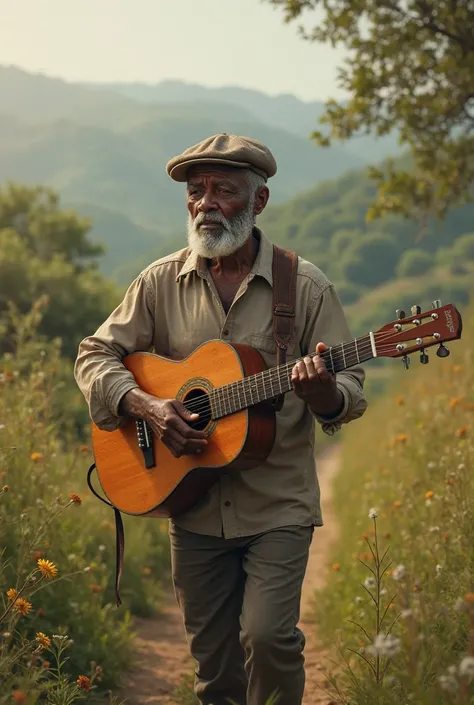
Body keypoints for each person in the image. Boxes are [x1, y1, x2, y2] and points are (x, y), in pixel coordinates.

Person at [74, 133, 367, 705]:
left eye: (223, 191)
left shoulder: (305, 287)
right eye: (196, 191)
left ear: (258, 202)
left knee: (269, 636)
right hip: (191, 503)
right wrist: (147, 405)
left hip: (277, 501)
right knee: (214, 668)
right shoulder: (159, 282)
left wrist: (324, 393)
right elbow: (94, 354)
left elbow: (350, 393)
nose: (205, 203)